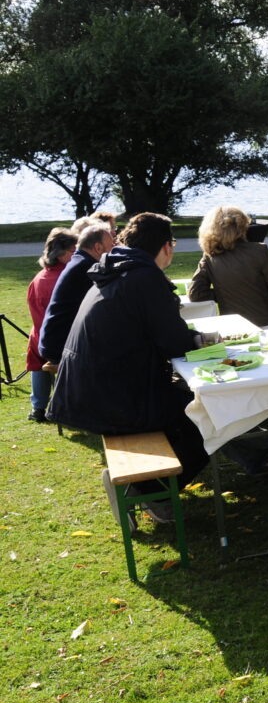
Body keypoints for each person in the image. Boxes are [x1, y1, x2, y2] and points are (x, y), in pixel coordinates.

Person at [47, 213, 212, 526]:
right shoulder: (143, 277)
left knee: (187, 408)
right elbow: (174, 343)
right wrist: (200, 341)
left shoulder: (118, 268)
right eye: (173, 244)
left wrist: (188, 339)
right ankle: (148, 491)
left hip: (91, 389)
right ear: (165, 247)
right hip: (112, 397)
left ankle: (146, 486)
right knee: (209, 417)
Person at [188, 206, 268, 331]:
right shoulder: (258, 250)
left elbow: (196, 294)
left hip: (234, 327)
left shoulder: (209, 257)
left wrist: (225, 293)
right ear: (242, 227)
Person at [38, 221, 117, 368]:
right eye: (112, 245)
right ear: (98, 248)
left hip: (56, 341)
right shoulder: (87, 267)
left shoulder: (80, 260)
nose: (115, 249)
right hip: (61, 346)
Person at [25, 228, 77, 422]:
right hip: (57, 339)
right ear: (61, 253)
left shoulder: (39, 276)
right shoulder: (64, 278)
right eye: (74, 250)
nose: (77, 254)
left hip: (40, 333)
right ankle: (64, 407)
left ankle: (37, 408)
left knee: (38, 355)